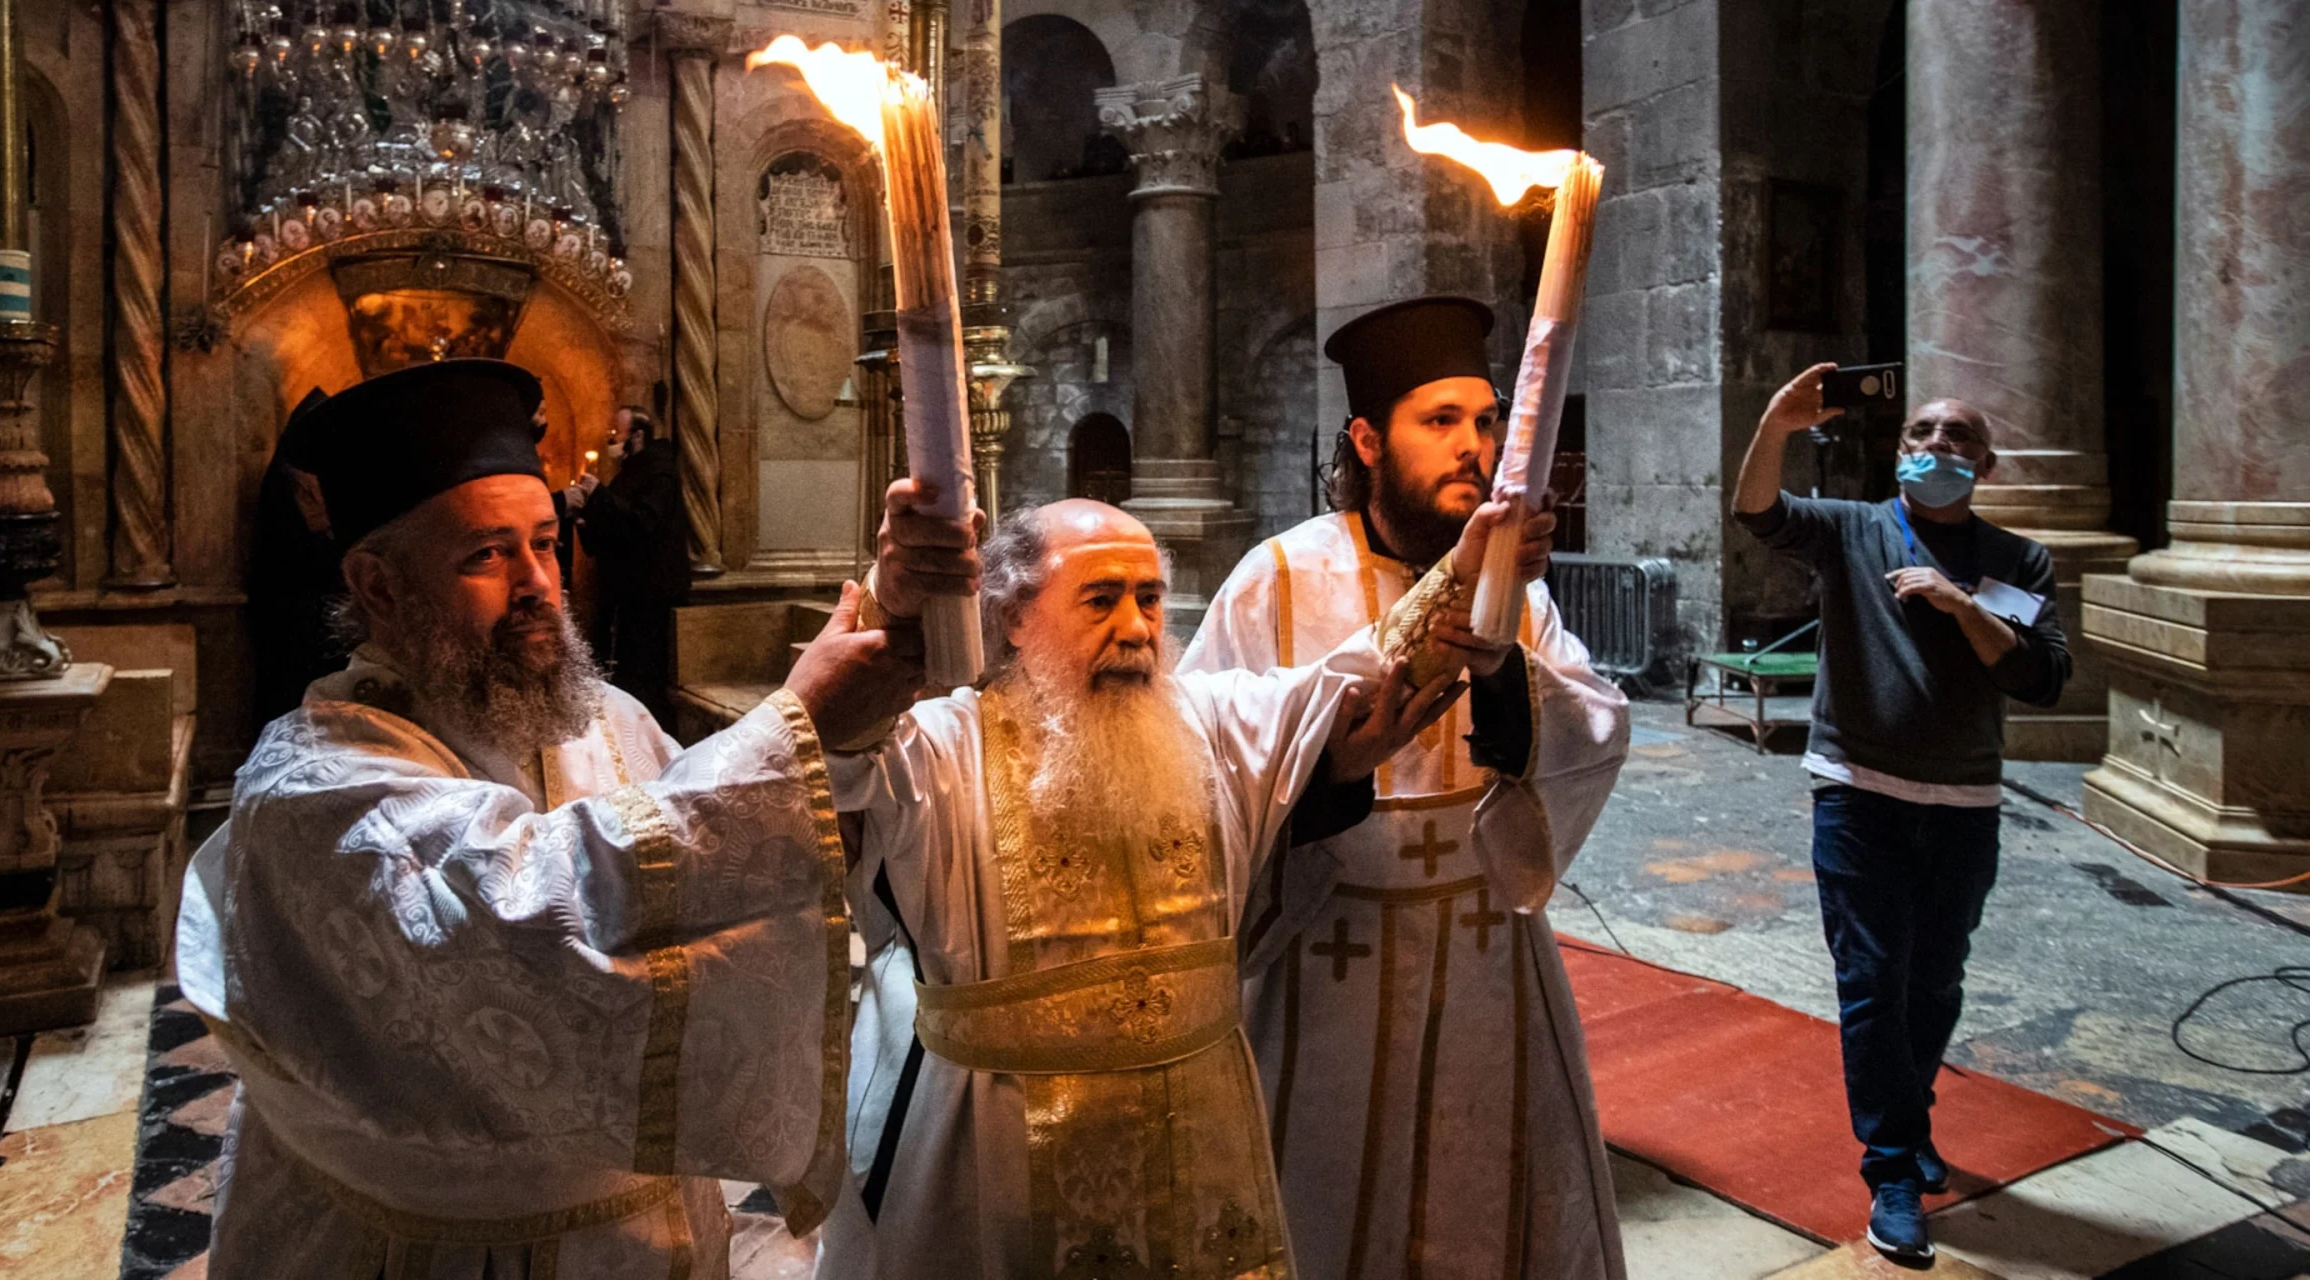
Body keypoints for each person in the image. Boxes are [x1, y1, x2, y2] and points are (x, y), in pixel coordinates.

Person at [175, 359, 976, 1278]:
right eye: (486, 554)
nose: (536, 585)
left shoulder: (608, 724)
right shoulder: (309, 785)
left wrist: (882, 613)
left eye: (547, 543)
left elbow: (755, 863)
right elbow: (517, 917)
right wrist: (793, 726)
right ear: (378, 586)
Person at [818, 497, 1507, 1279]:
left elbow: (1363, 674)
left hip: (1199, 1140)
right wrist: (891, 594)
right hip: (997, 1154)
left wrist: (1470, 567)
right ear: (1012, 618)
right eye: (1101, 599)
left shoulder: (1208, 725)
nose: (1138, 627)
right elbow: (831, 753)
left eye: (1149, 598)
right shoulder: (947, 747)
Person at [1183, 295, 1633, 1278]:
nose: (1472, 446)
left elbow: (1589, 730)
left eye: (1484, 421)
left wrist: (1505, 672)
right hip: (1324, 968)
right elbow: (1200, 776)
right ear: (1366, 438)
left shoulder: (1518, 588)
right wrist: (1332, 771)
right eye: (1439, 421)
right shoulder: (1277, 579)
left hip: (1488, 972)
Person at [1732, 365, 2071, 1264]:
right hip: (1859, 790)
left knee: (1936, 981)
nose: (1936, 447)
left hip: (1964, 800)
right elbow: (1758, 512)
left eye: (1957, 438)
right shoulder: (1854, 530)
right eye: (1922, 434)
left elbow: (2041, 677)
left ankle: (1908, 1122)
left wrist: (1963, 608)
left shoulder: (2017, 560)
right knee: (1874, 981)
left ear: (1986, 465)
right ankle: (1891, 1169)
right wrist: (1777, 421)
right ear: (1899, 452)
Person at [246, 388, 346, 728]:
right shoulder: (298, 469)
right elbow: (316, 519)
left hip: (308, 593)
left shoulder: (299, 458)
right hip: (297, 598)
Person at [582, 407, 688, 721]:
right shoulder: (631, 470)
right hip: (628, 591)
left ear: (638, 436)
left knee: (643, 674)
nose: (612, 439)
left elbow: (643, 522)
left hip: (650, 594)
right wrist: (584, 517)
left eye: (618, 433)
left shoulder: (658, 471)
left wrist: (599, 495)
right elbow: (616, 522)